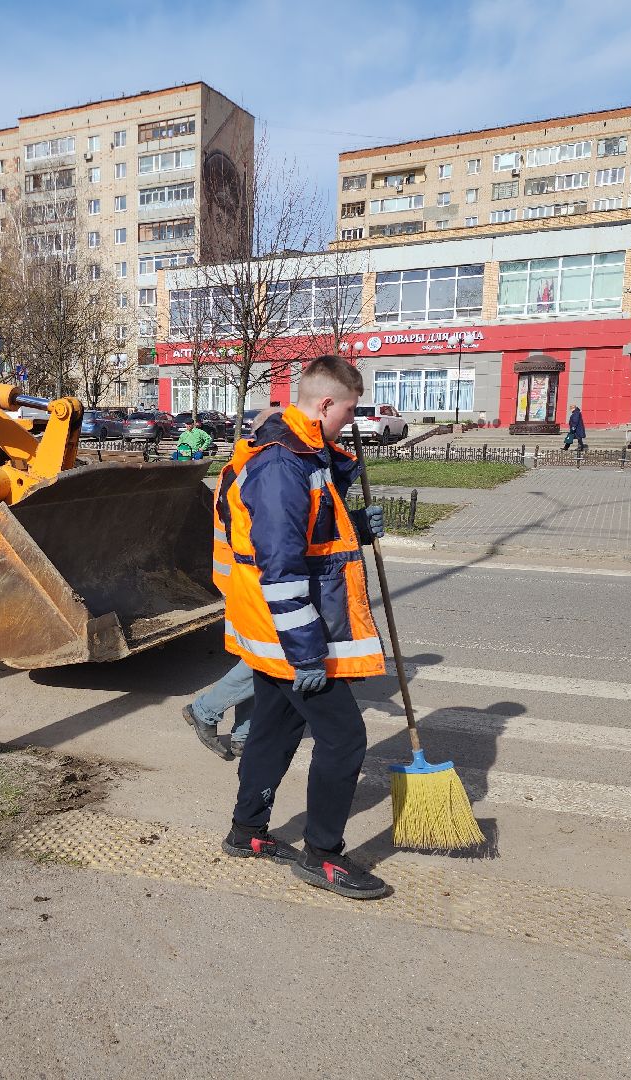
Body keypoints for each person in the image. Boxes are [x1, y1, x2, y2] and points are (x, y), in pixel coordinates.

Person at [218, 355, 390, 901]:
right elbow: (280, 565)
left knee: (274, 728)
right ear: (325, 404)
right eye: (349, 411)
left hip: (279, 629)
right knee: (344, 738)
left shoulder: (302, 453)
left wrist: (354, 527)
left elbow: (310, 537)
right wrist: (308, 653)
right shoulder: (282, 463)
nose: (351, 421)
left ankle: (246, 832)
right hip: (291, 630)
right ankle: (323, 855)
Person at [183, 408, 282, 761]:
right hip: (247, 581)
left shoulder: (250, 467)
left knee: (255, 655)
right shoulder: (247, 471)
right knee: (269, 657)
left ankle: (244, 735)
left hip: (247, 579)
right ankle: (205, 709)